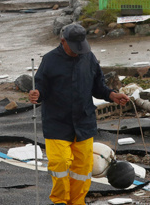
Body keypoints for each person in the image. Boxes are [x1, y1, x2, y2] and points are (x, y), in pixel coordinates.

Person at [28, 23, 129, 205]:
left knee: (82, 168)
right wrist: (37, 94)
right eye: (74, 48)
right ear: (62, 41)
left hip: (83, 122)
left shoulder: (88, 58)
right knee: (60, 164)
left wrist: (112, 95)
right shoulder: (49, 60)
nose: (78, 52)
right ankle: (60, 201)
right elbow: (41, 86)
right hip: (57, 123)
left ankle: (77, 201)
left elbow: (98, 87)